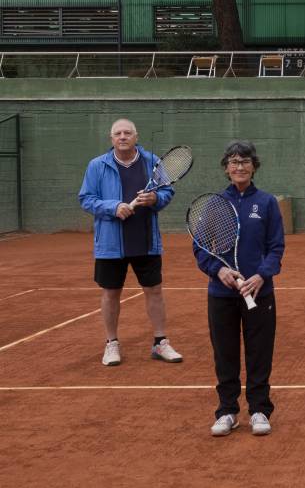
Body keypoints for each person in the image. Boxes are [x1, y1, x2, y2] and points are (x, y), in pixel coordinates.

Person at [195, 141, 285, 437]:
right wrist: (218, 269)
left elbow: (276, 247)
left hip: (260, 293)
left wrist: (261, 275)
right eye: (233, 162)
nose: (239, 167)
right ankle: (227, 411)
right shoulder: (215, 204)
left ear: (254, 166)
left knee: (260, 352)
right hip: (221, 295)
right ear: (226, 168)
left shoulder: (268, 203)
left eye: (245, 162)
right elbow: (200, 249)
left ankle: (259, 409)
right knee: (225, 353)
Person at [78, 118, 182, 367]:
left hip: (146, 240)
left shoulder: (153, 162)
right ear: (111, 138)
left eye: (127, 133)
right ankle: (111, 344)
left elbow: (168, 192)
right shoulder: (97, 165)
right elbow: (86, 198)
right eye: (118, 133)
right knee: (111, 293)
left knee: (154, 291)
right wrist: (113, 207)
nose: (122, 137)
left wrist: (155, 197)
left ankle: (160, 342)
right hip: (110, 244)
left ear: (136, 136)